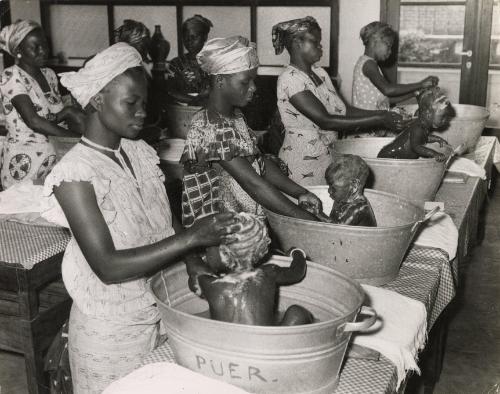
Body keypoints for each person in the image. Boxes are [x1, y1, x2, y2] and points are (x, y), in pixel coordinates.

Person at [42, 42, 241, 393]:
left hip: (157, 311)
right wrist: (193, 238)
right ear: (97, 100)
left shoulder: (139, 151)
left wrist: (192, 261)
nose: (141, 114)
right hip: (110, 332)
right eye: (130, 103)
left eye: (144, 104)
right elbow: (108, 266)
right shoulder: (74, 174)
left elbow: (165, 220)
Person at [180, 35, 322, 230]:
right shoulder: (208, 127)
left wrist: (300, 192)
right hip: (216, 233)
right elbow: (252, 183)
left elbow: (259, 163)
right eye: (245, 82)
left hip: (243, 222)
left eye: (253, 80)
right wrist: (305, 219)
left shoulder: (235, 117)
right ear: (220, 80)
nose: (254, 88)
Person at [272, 17, 406, 186]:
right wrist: (380, 119)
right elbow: (325, 120)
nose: (321, 46)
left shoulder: (319, 73)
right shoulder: (290, 79)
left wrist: (383, 114)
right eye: (315, 42)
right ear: (298, 43)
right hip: (302, 162)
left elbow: (343, 110)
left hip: (328, 156)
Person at [0, 20, 84, 189]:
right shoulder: (11, 76)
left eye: (44, 45)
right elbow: (34, 121)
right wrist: (78, 140)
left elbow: (56, 115)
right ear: (18, 51)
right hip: (25, 164)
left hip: (55, 159)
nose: (43, 51)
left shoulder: (50, 74)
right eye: (35, 47)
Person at [190, 212, 314, 326]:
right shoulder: (269, 273)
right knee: (297, 313)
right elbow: (297, 272)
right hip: (266, 347)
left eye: (208, 247)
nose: (205, 251)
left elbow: (194, 272)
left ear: (224, 253)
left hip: (225, 348)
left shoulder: (207, 283)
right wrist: (297, 253)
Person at [351, 21, 439, 137]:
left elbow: (386, 99)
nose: (390, 51)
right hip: (364, 130)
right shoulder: (368, 64)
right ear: (374, 41)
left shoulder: (372, 65)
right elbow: (388, 90)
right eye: (388, 46)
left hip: (373, 127)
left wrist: (414, 93)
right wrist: (420, 84)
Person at [378, 87, 454, 161]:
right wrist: (434, 154)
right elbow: (417, 147)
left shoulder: (423, 126)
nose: (445, 120)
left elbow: (424, 138)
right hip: (389, 157)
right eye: (443, 117)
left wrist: (438, 139)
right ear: (428, 114)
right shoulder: (418, 127)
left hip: (398, 157)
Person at [167, 14, 213, 105]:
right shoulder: (176, 63)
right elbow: (171, 91)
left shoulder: (215, 62)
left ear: (204, 37)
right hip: (183, 110)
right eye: (185, 38)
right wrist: (195, 100)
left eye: (193, 37)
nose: (189, 41)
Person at [324, 154, 377, 226]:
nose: (329, 191)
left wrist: (318, 214)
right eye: (329, 186)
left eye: (334, 188)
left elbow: (336, 229)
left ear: (354, 186)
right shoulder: (341, 199)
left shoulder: (359, 208)